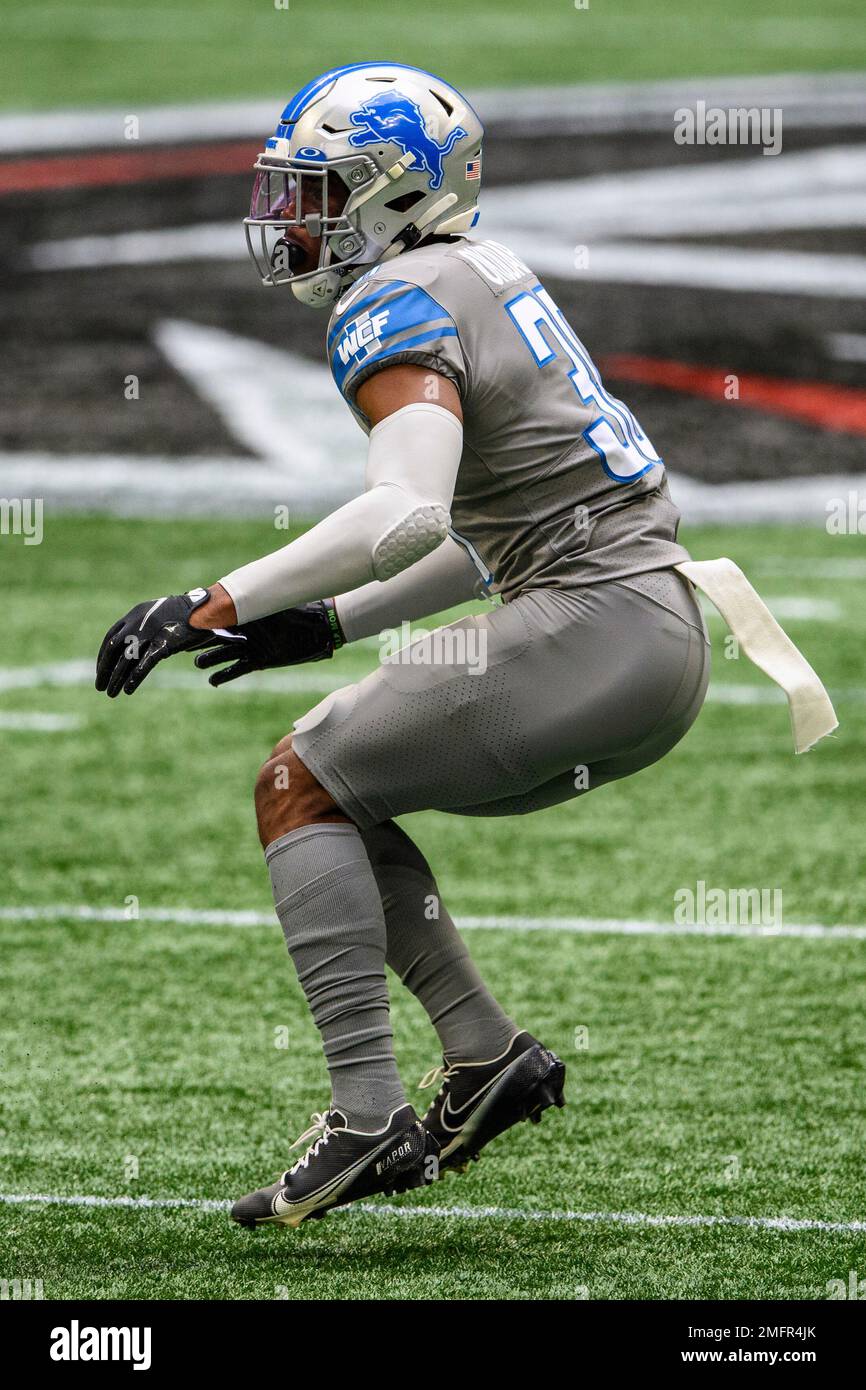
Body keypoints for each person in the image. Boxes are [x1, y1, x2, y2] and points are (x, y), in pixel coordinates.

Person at [96, 62, 712, 1229]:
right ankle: (485, 1061)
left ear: (390, 196)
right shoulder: (478, 269)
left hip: (595, 621)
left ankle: (368, 1114)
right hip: (648, 632)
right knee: (339, 789)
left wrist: (209, 598)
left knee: (299, 781)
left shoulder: (393, 301)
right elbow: (491, 532)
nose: (291, 220)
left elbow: (407, 512)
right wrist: (323, 623)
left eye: (316, 192)